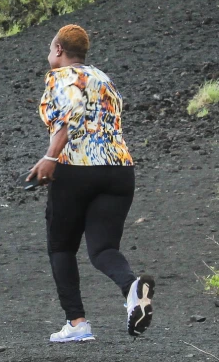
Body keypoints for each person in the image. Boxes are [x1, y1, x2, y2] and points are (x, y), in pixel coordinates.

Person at [26, 24, 154, 342]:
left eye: (49, 48)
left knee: (61, 246)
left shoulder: (63, 76)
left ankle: (77, 324)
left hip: (76, 167)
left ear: (58, 49)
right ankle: (132, 288)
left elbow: (72, 110)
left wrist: (51, 157)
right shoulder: (103, 78)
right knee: (103, 248)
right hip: (119, 169)